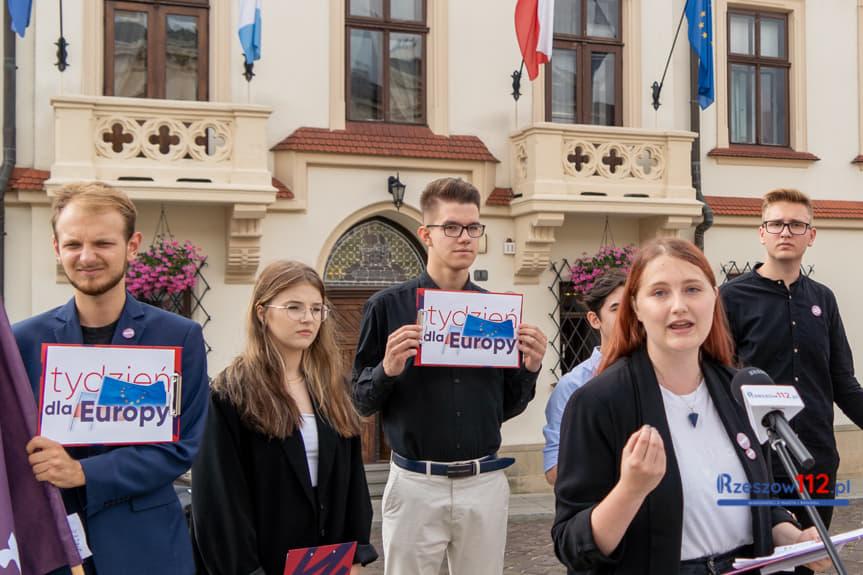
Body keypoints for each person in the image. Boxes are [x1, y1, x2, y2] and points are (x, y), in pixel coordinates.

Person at [552, 237, 829, 575]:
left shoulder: (739, 391)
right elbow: (572, 544)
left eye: (692, 289)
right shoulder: (597, 402)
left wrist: (795, 538)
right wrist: (630, 490)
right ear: (636, 307)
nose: (679, 306)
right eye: (659, 293)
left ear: (714, 297)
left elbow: (760, 505)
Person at [351, 177, 548, 575]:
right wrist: (387, 370)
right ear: (426, 234)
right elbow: (361, 400)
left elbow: (505, 407)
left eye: (473, 227)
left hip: (483, 481)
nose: (465, 238)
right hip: (416, 483)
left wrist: (529, 369)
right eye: (452, 227)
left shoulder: (495, 313)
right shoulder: (387, 307)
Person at [13, 182, 209, 575]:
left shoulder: (178, 337)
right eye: (73, 244)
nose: (87, 257)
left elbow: (179, 447)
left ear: (132, 246)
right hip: (55, 549)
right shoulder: (23, 341)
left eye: (103, 243)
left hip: (147, 549)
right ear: (56, 248)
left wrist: (83, 472)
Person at [192, 260, 377, 575]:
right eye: (294, 307)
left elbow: (353, 482)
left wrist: (356, 554)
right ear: (262, 312)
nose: (308, 318)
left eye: (316, 309)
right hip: (262, 561)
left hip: (326, 561)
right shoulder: (229, 393)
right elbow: (218, 502)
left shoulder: (332, 388)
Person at [720, 188, 863, 574]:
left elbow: (843, 382)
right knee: (764, 563)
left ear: (810, 235)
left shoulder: (823, 299)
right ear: (761, 232)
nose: (785, 231)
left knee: (810, 563)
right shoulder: (730, 298)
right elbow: (718, 382)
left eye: (796, 225)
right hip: (760, 461)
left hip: (817, 458)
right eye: (776, 224)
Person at [542, 269, 626, 485]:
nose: (628, 316)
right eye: (616, 308)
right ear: (595, 319)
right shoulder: (573, 386)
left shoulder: (661, 374)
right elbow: (554, 471)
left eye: (633, 307)